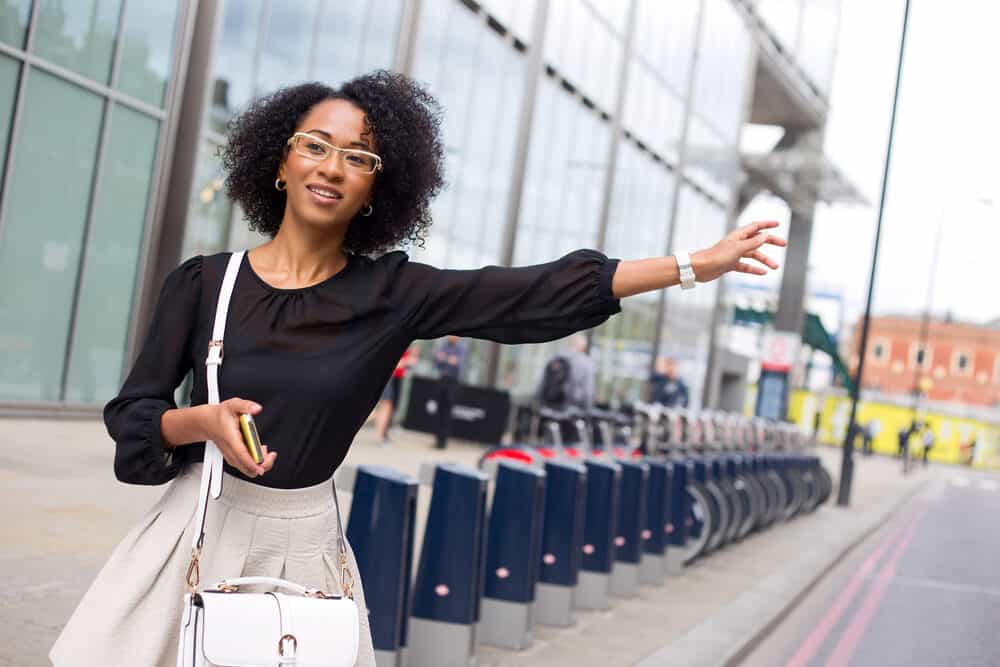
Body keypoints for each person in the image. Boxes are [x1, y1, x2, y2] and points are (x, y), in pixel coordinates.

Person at [50, 71, 784, 666]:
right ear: (279, 160)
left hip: (305, 549)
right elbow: (134, 426)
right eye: (316, 145)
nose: (333, 167)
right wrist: (201, 421)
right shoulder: (206, 284)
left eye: (359, 157)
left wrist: (694, 264)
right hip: (197, 528)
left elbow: (532, 290)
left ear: (378, 187)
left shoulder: (391, 295)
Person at [373, 344, 417, 444]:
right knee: (386, 405)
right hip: (390, 377)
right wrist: (407, 361)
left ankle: (383, 434)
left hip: (397, 377)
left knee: (390, 406)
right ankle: (380, 436)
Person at [431, 335, 467, 449]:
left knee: (447, 412)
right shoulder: (443, 345)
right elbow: (436, 362)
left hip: (453, 383)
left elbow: (456, 363)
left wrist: (444, 359)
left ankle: (443, 441)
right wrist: (448, 359)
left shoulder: (462, 347)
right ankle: (437, 439)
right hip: (442, 380)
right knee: (440, 410)